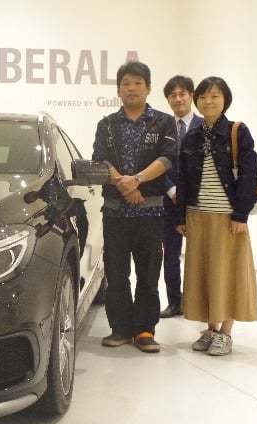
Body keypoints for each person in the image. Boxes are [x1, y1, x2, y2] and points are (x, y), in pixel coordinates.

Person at [92, 61, 177, 353]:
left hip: (150, 212)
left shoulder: (163, 122)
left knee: (148, 274)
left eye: (138, 83)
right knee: (116, 274)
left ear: (148, 88)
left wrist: (137, 180)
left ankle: (144, 330)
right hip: (115, 212)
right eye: (126, 83)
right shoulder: (106, 125)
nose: (131, 88)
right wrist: (125, 186)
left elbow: (168, 158)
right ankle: (120, 329)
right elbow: (100, 159)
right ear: (118, 90)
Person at [175, 76, 257, 356]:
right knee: (202, 273)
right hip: (197, 214)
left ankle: (226, 332)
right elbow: (183, 179)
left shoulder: (238, 131)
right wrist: (181, 217)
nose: (207, 101)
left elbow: (249, 175)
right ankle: (211, 329)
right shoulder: (192, 137)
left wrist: (241, 215)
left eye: (214, 96)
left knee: (228, 273)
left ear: (225, 100)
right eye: (202, 96)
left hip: (227, 217)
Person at [159, 76, 203, 318]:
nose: (178, 98)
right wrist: (171, 189)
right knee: (171, 255)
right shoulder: (162, 127)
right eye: (173, 95)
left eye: (182, 93)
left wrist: (189, 192)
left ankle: (200, 303)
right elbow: (156, 163)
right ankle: (175, 301)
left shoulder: (204, 125)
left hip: (199, 202)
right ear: (168, 99)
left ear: (191, 96)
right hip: (170, 202)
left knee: (201, 255)